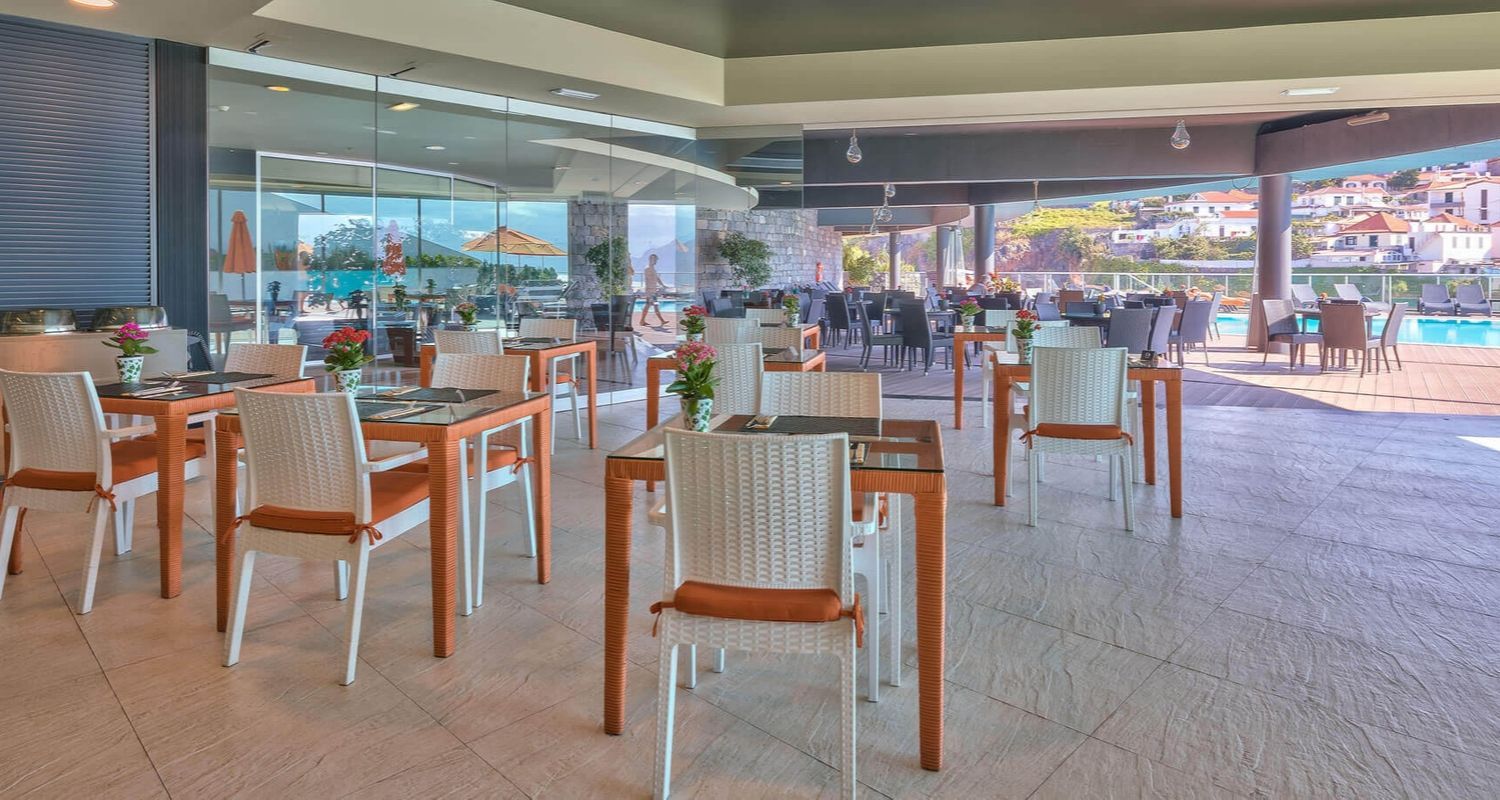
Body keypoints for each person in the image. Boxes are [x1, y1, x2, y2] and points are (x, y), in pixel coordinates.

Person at [639, 253, 668, 326]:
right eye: (654, 259)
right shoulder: (648, 268)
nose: (655, 261)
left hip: (653, 291)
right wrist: (650, 290)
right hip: (650, 291)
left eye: (656, 260)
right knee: (652, 305)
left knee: (651, 305)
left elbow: (656, 278)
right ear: (650, 259)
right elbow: (648, 280)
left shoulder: (652, 268)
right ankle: (661, 321)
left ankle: (642, 321)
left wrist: (662, 285)